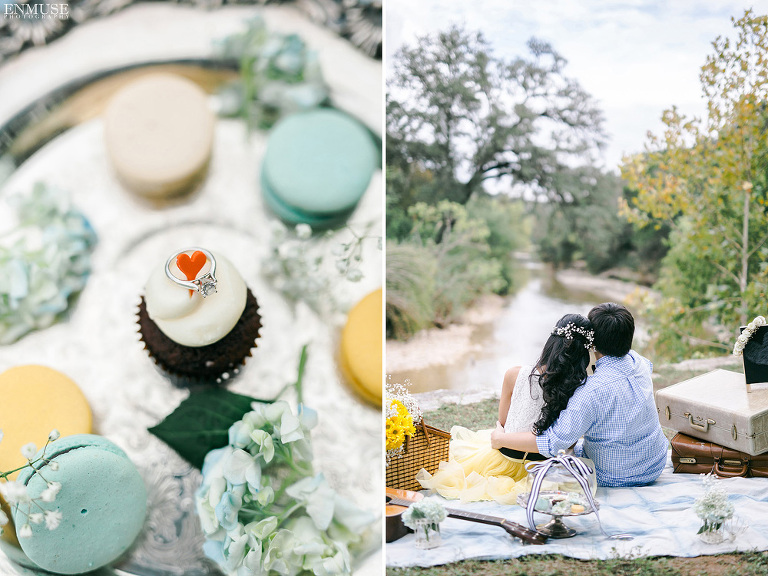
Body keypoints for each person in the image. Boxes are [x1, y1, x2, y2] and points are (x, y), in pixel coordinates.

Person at [415, 313, 595, 504]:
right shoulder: (581, 388)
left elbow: (503, 423)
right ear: (584, 353)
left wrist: (502, 436)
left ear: (551, 342)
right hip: (544, 471)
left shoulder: (514, 375)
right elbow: (567, 443)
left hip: (503, 461)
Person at [491, 302, 668, 487]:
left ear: (593, 343)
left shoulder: (590, 392)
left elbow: (553, 443)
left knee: (567, 449)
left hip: (613, 475)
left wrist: (499, 438)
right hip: (654, 464)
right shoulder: (640, 363)